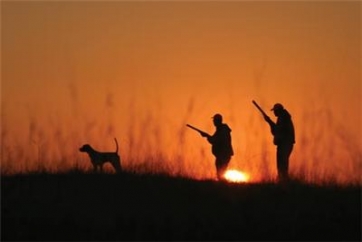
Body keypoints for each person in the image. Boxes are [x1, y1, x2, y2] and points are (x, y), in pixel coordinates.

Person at [264, 103, 295, 182]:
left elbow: (277, 131)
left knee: (282, 164)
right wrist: (269, 121)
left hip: (284, 144)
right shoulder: (284, 117)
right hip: (285, 144)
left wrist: (269, 121)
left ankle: (283, 181)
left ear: (278, 110)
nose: (274, 112)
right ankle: (282, 180)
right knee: (283, 164)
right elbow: (277, 130)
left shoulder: (283, 118)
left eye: (275, 111)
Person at [201, 114, 234, 181]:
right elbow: (214, 139)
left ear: (218, 121)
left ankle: (223, 186)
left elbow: (215, 140)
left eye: (214, 120)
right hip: (222, 155)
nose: (213, 122)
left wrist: (207, 136)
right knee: (220, 173)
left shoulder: (222, 130)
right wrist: (207, 136)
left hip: (224, 154)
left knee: (220, 172)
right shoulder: (220, 129)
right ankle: (223, 185)